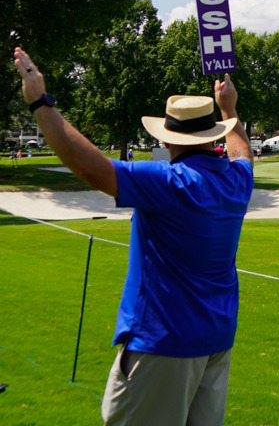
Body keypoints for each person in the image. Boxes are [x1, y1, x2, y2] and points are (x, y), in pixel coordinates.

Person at [13, 46, 255, 426]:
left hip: (164, 342)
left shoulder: (169, 182)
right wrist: (229, 109)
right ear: (213, 137)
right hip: (216, 340)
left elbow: (90, 166)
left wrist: (41, 102)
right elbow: (242, 152)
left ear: (167, 140)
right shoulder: (237, 180)